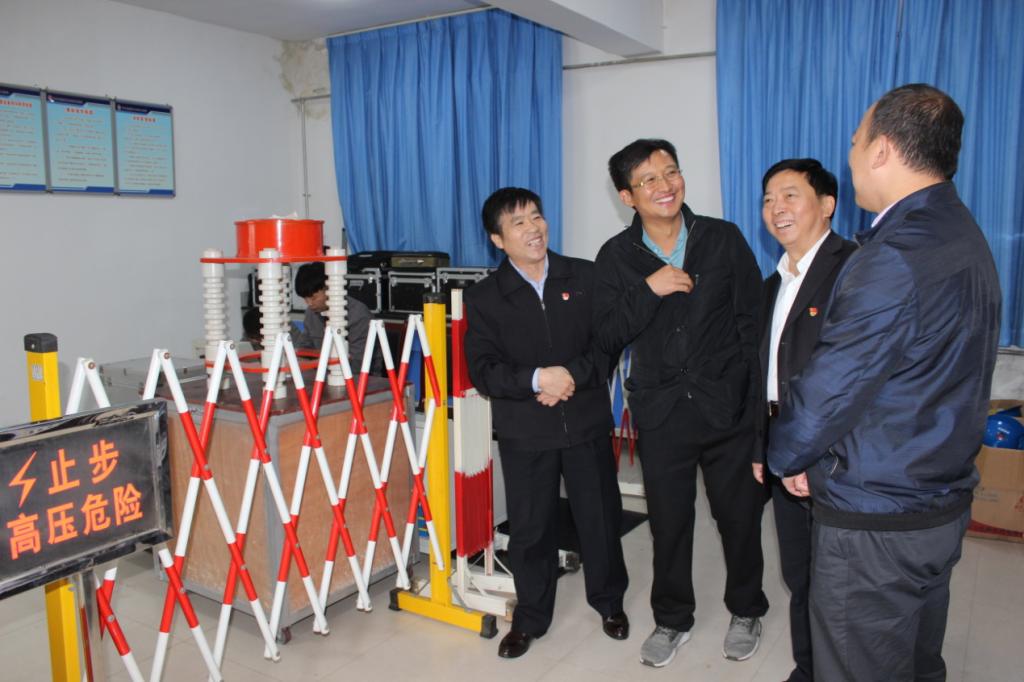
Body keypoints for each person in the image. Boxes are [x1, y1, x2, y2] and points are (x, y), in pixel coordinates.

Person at [767, 84, 1001, 682]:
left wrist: (788, 455)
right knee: (917, 660)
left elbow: (830, 389)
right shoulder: (962, 233)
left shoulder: (891, 256)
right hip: (938, 497)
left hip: (878, 515)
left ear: (882, 150)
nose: (849, 156)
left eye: (855, 142)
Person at [593, 139, 768, 668]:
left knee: (739, 518)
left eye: (670, 172)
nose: (665, 185)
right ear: (627, 196)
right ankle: (672, 619)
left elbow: (752, 322)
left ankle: (747, 609)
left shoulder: (722, 238)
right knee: (669, 524)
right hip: (662, 411)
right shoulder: (616, 257)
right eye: (648, 179)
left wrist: (750, 401)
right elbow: (606, 334)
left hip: (725, 406)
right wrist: (649, 289)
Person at [464, 187, 629, 660]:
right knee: (531, 529)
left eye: (536, 216)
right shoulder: (484, 297)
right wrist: (537, 378)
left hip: (585, 421)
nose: (533, 228)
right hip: (527, 430)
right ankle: (531, 617)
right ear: (498, 239)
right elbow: (484, 369)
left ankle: (609, 602)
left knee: (599, 518)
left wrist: (568, 377)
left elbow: (607, 345)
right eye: (518, 223)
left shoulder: (585, 276)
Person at [752, 158, 857, 682]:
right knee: (799, 572)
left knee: (839, 581)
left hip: (834, 454)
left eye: (790, 195)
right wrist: (762, 447)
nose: (777, 208)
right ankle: (808, 667)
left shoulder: (853, 268)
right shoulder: (774, 282)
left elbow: (852, 380)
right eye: (769, 199)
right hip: (783, 443)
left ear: (828, 205)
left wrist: (812, 455)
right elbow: (765, 374)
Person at [293, 261, 377, 373]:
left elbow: (359, 364)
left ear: (329, 288)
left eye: (313, 298)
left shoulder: (359, 315)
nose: (309, 303)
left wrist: (319, 365)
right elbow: (305, 348)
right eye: (305, 298)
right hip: (325, 374)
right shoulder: (311, 313)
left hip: (362, 378)